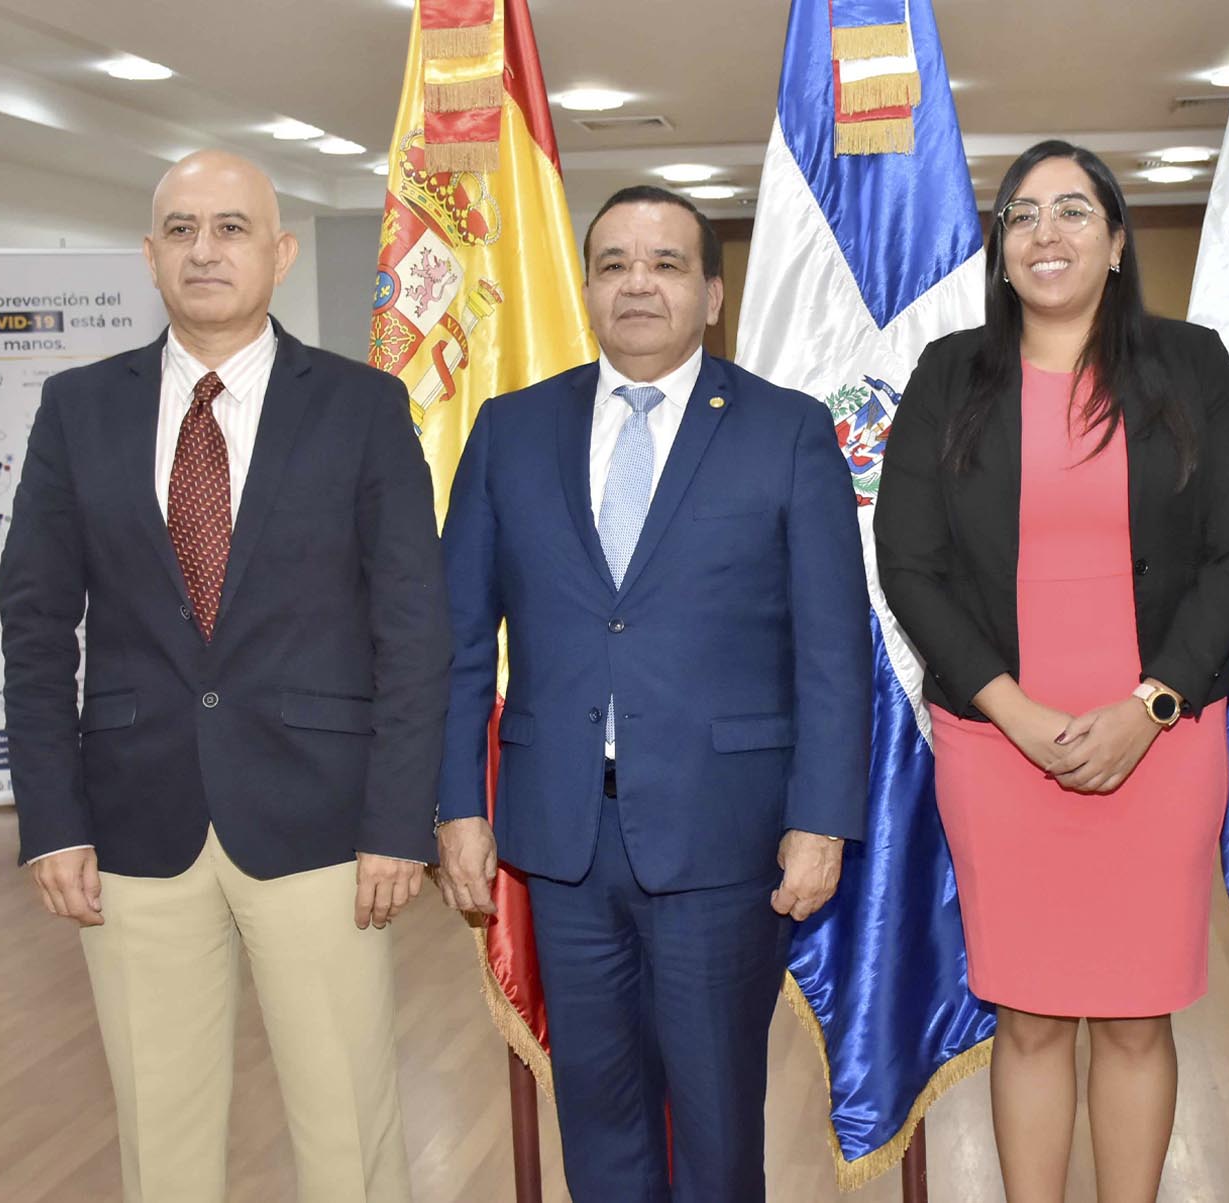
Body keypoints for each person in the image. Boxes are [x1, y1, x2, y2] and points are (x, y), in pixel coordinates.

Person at [0, 150, 450, 1203]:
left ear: (281, 254)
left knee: (348, 1122)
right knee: (162, 1129)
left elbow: (414, 628)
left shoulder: (363, 406)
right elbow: (33, 627)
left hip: (324, 827)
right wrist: (52, 819)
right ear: (150, 254)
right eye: (183, 229)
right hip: (129, 828)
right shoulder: (77, 410)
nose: (206, 249)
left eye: (233, 227)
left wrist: (397, 823)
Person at [433, 185, 871, 1203]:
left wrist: (821, 821)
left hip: (726, 838)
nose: (639, 282)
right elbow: (456, 642)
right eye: (615, 263)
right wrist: (458, 804)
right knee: (597, 1102)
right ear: (586, 286)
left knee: (717, 1114)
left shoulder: (786, 431)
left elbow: (832, 651)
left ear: (713, 294)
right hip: (562, 837)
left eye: (667, 263)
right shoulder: (511, 432)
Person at [874, 141, 1229, 1203]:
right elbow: (907, 563)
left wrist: (1151, 705)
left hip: (1164, 740)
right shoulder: (949, 374)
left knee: (1141, 1015)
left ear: (1118, 241)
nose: (1047, 233)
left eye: (1073, 212)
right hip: (998, 744)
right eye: (1022, 217)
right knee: (1033, 1015)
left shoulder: (1192, 364)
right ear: (1001, 254)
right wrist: (1010, 711)